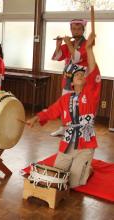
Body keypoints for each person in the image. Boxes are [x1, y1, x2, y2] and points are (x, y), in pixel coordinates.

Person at [27, 32, 100, 188]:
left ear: (86, 81)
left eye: (82, 74)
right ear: (72, 84)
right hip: (67, 143)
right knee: (58, 177)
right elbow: (50, 111)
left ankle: (88, 168)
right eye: (76, 75)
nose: (80, 75)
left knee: (73, 184)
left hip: (85, 144)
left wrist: (89, 49)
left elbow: (93, 71)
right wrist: (36, 118)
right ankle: (83, 167)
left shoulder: (91, 94)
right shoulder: (65, 99)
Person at [51, 19, 88, 136]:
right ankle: (63, 128)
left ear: (83, 30)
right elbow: (57, 57)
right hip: (68, 80)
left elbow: (77, 58)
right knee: (65, 105)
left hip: (79, 81)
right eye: (73, 29)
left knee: (78, 107)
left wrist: (67, 43)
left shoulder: (87, 44)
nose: (75, 31)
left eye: (78, 29)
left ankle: (77, 131)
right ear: (70, 30)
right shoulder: (70, 43)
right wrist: (58, 46)